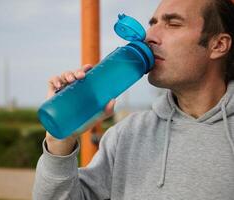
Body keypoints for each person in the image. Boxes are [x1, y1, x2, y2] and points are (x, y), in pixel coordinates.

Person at [33, 0, 234, 199]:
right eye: (152, 23)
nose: (150, 36)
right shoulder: (126, 135)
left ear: (218, 45)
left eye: (172, 23)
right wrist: (60, 141)